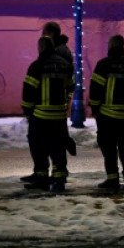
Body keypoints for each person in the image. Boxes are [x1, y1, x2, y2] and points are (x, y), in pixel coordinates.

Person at [20, 35, 75, 192]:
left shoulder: (37, 66)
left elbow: (29, 91)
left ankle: (42, 178)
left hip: (41, 115)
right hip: (59, 115)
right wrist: (65, 104)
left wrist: (28, 111)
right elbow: (70, 87)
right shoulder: (66, 65)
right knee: (58, 147)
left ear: (42, 47)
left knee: (38, 146)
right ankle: (59, 178)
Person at [89, 34, 124, 191]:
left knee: (109, 148)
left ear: (111, 46)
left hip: (107, 115)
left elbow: (95, 89)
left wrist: (95, 109)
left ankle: (112, 179)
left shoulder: (103, 65)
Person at [41, 21, 77, 156]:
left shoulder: (58, 51)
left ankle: (65, 143)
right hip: (59, 97)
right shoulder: (62, 49)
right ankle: (65, 142)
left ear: (51, 34)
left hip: (55, 97)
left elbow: (62, 75)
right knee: (57, 128)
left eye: (44, 33)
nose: (42, 35)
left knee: (55, 131)